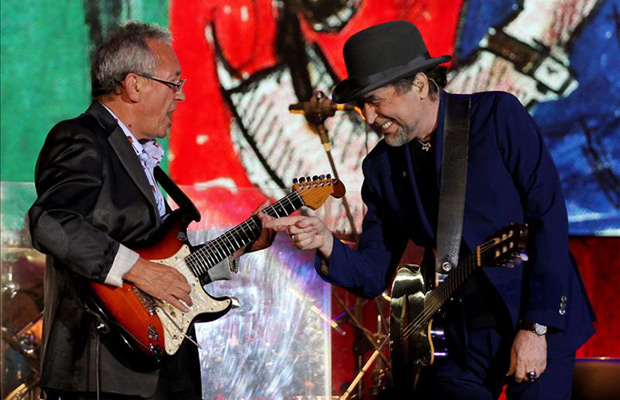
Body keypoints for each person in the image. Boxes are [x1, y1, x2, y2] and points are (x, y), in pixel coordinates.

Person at [265, 20, 596, 399]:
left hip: (533, 318)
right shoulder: (381, 168)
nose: (369, 118)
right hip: (455, 340)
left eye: (375, 101)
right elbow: (372, 274)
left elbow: (548, 221)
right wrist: (326, 243)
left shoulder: (497, 117)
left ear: (420, 85)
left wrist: (536, 328)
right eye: (361, 106)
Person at [28, 22, 274, 400]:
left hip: (165, 368)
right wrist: (139, 270)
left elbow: (168, 266)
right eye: (174, 83)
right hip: (104, 370)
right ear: (134, 85)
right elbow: (51, 222)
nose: (181, 97)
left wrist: (241, 245)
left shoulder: (143, 158)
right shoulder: (81, 138)